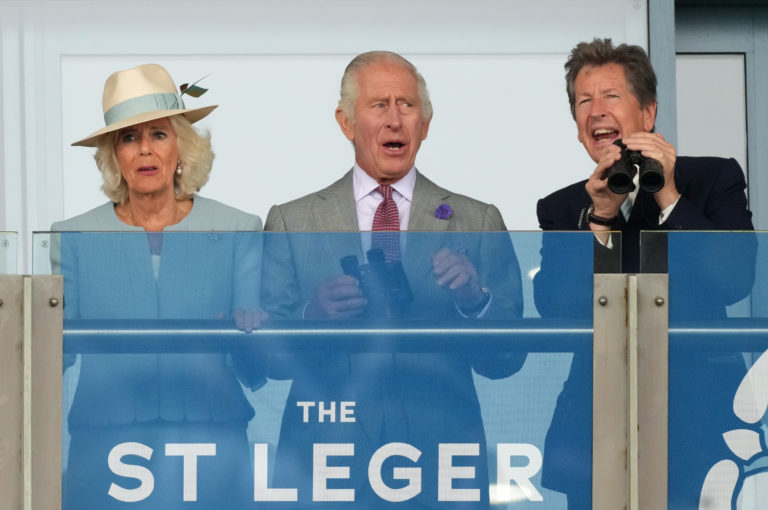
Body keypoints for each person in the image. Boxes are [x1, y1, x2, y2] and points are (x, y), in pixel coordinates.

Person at [261, 51, 524, 508]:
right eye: (378, 105)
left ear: (425, 123)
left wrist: (473, 300)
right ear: (346, 122)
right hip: (325, 455)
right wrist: (311, 316)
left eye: (406, 105)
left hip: (442, 457)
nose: (395, 119)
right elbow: (268, 361)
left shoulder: (476, 218)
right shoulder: (291, 220)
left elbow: (506, 359)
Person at [534, 39, 755, 509]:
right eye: (583, 101)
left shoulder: (712, 179)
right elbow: (556, 308)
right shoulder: (562, 207)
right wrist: (599, 218)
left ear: (648, 113)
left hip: (701, 417)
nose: (596, 111)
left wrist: (670, 195)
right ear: (576, 126)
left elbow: (736, 280)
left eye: (610, 96)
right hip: (598, 422)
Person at [51, 63, 264, 509]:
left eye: (159, 135)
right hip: (105, 437)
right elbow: (54, 356)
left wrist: (251, 335)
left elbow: (256, 365)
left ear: (181, 148)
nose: (144, 150)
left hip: (212, 435)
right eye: (129, 138)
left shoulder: (238, 228)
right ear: (113, 155)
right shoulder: (73, 236)